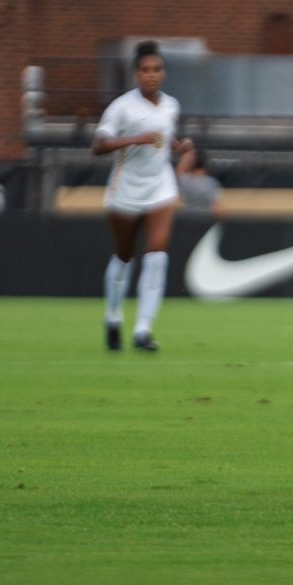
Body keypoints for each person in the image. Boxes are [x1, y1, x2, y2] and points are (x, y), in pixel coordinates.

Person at [92, 40, 193, 353]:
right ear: (136, 74)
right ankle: (113, 317)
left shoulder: (171, 105)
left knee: (157, 256)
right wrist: (137, 138)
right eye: (145, 70)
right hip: (126, 188)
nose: (151, 75)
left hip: (160, 186)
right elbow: (98, 146)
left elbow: (164, 136)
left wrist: (177, 146)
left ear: (163, 73)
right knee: (124, 256)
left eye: (157, 69)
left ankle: (143, 330)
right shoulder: (121, 107)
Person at [176, 146, 223, 217]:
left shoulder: (185, 181)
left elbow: (179, 171)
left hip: (189, 219)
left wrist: (188, 156)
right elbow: (218, 209)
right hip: (206, 220)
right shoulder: (212, 183)